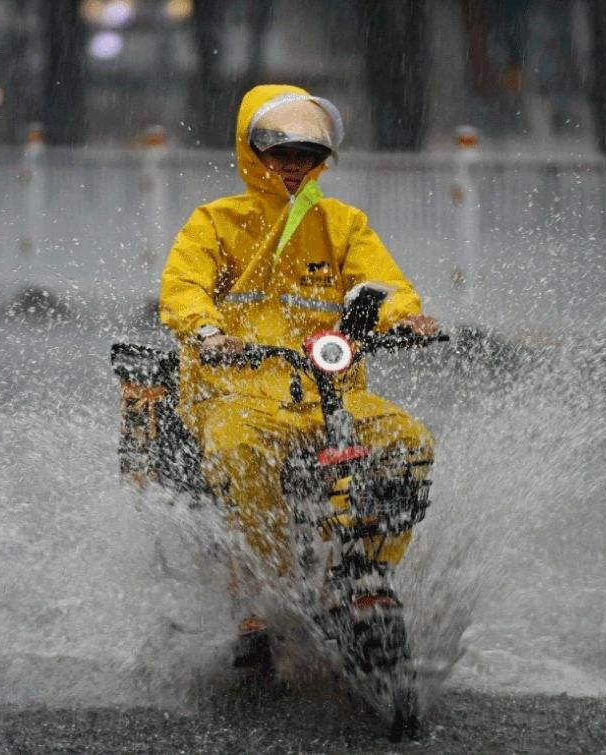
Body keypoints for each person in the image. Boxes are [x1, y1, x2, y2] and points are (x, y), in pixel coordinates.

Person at [158, 84, 438, 659]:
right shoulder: (214, 222)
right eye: (280, 155)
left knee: (408, 442)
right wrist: (210, 335)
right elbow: (183, 289)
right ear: (251, 153)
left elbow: (380, 286)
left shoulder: (343, 224)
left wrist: (406, 319)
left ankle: (365, 577)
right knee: (239, 450)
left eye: (305, 157)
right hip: (234, 394)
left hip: (329, 393)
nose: (292, 168)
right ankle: (264, 586)